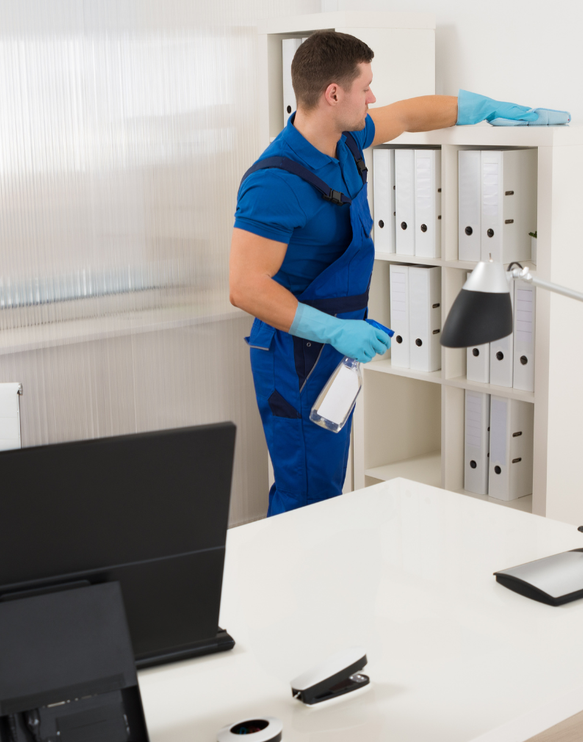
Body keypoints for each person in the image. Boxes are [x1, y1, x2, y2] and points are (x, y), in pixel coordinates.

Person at [230, 31, 543, 516]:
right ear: (334, 94)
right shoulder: (274, 182)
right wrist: (334, 329)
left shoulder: (347, 140)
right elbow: (244, 286)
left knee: (325, 489)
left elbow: (407, 115)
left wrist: (478, 108)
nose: (373, 97)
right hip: (295, 358)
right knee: (305, 498)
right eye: (366, 86)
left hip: (335, 350)